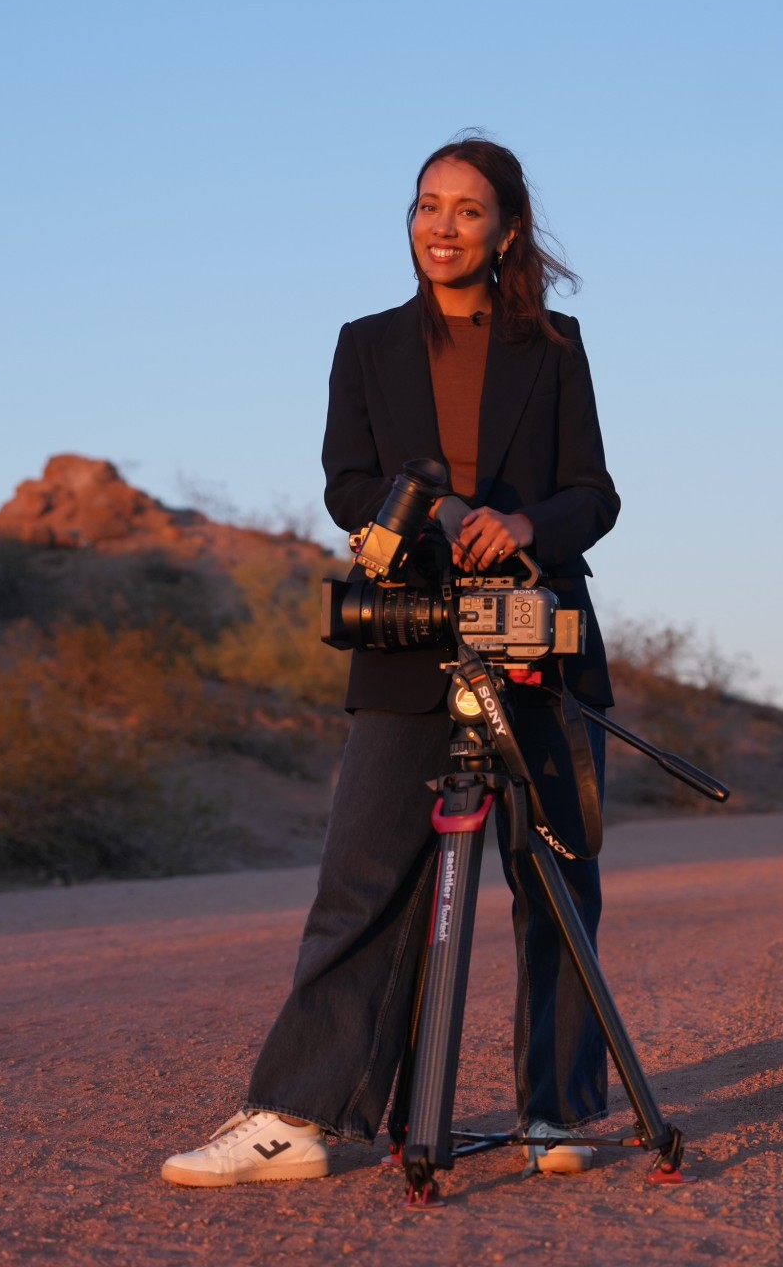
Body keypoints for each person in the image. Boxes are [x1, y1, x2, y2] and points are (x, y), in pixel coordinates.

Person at [162, 136, 620, 1187]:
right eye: (426, 205)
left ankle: (558, 1110)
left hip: (534, 625)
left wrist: (521, 521)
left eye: (467, 210)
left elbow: (594, 493)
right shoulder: (365, 344)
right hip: (408, 636)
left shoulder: (556, 348)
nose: (441, 227)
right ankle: (301, 1113)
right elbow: (345, 483)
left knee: (553, 879)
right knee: (359, 879)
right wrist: (441, 512)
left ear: (506, 229)